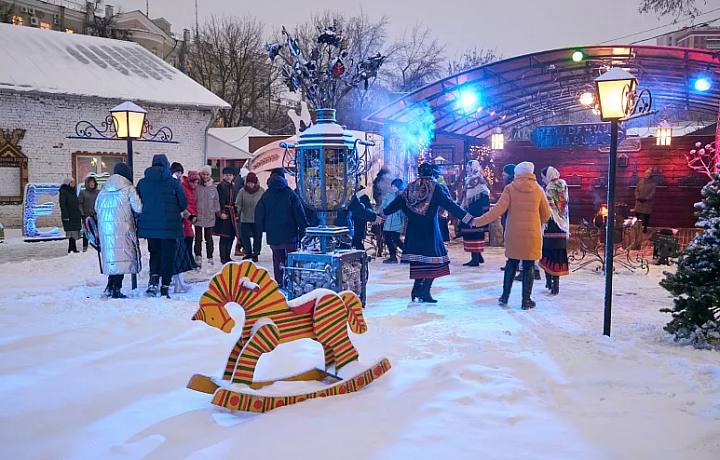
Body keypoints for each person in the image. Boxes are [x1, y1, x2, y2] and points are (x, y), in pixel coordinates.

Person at [382, 162, 473, 303]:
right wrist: (467, 218)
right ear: (432, 173)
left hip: (413, 231)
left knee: (419, 261)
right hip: (430, 229)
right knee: (434, 262)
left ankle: (416, 289)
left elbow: (398, 202)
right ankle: (425, 291)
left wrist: (384, 213)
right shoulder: (436, 187)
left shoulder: (410, 187)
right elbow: (450, 205)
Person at [473, 161, 551, 310]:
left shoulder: (510, 189)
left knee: (511, 262)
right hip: (532, 234)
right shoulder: (539, 190)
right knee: (528, 265)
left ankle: (504, 297)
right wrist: (536, 223)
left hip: (513, 233)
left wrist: (478, 221)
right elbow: (546, 214)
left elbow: (497, 211)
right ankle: (526, 301)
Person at [136, 154, 188, 298]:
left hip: (150, 227)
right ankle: (165, 285)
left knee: (155, 254)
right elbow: (183, 203)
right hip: (170, 225)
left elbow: (138, 203)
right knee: (168, 256)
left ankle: (153, 282)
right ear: (166, 165)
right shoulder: (174, 183)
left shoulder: (142, 183)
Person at [95, 163, 143, 299]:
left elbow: (96, 207)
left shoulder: (104, 189)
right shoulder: (129, 189)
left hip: (106, 230)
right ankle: (116, 289)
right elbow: (138, 208)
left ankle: (110, 286)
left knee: (113, 258)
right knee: (122, 258)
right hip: (123, 229)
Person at [255, 168, 308, 283]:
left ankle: (279, 281)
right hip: (290, 235)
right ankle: (292, 283)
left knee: (278, 260)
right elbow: (299, 214)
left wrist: (265, 229)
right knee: (291, 260)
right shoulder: (290, 194)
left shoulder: (265, 196)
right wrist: (304, 230)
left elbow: (258, 215)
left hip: (273, 236)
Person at [539, 166, 570, 295]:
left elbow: (546, 208)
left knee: (547, 253)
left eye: (543, 177)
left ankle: (549, 281)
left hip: (551, 225)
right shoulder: (563, 186)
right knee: (558, 255)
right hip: (562, 225)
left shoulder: (549, 189)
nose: (542, 179)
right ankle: (555, 284)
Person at [460, 160, 491, 266]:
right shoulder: (471, 179)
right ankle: (477, 255)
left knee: (474, 234)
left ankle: (475, 258)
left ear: (473, 167)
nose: (466, 169)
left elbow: (484, 194)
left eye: (468, 167)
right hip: (471, 211)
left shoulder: (477, 179)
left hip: (475, 212)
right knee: (472, 234)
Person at [235, 172, 264, 262]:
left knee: (257, 237)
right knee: (244, 237)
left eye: (252, 183)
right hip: (245, 218)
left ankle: (256, 253)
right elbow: (238, 203)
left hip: (257, 219)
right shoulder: (242, 191)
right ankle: (248, 252)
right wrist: (237, 212)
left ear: (255, 183)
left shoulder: (261, 191)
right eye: (248, 183)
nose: (250, 185)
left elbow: (264, 204)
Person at [194, 165, 220, 266]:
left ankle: (210, 257)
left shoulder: (213, 187)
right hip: (199, 215)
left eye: (207, 174)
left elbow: (216, 200)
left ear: (210, 175)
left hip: (209, 216)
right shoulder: (197, 186)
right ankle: (198, 256)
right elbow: (193, 200)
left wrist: (216, 211)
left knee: (209, 238)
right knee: (198, 238)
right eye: (204, 174)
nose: (205, 176)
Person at [214, 166, 238, 265]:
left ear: (233, 176)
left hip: (231, 213)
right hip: (225, 213)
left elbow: (235, 201)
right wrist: (221, 212)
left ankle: (228, 255)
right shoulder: (221, 186)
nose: (228, 177)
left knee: (231, 236)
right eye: (227, 175)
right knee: (224, 236)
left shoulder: (233, 186)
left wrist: (236, 213)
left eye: (230, 175)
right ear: (223, 176)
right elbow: (219, 200)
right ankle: (223, 257)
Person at [381, 178, 406, 264]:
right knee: (387, 238)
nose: (393, 187)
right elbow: (383, 205)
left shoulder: (401, 196)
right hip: (388, 219)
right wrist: (379, 213)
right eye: (392, 186)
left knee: (396, 239)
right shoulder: (388, 195)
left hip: (397, 220)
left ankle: (407, 254)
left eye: (395, 186)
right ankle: (392, 256)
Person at [59, 177, 82, 254]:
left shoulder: (73, 191)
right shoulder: (64, 192)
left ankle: (73, 247)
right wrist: (65, 215)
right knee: (71, 232)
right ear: (68, 183)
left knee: (74, 232)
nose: (73, 184)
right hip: (69, 215)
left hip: (75, 214)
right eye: (72, 182)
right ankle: (71, 248)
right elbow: (63, 204)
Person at [350, 185, 377, 250]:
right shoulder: (353, 197)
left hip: (359, 221)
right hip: (357, 221)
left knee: (357, 239)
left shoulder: (362, 197)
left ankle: (361, 255)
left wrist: (372, 216)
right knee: (356, 239)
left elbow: (364, 209)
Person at [78, 175, 99, 252]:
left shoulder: (98, 192)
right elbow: (80, 203)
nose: (92, 184)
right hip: (86, 215)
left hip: (96, 215)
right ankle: (85, 246)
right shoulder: (83, 192)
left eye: (93, 182)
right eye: (90, 183)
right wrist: (82, 213)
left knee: (97, 230)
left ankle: (97, 244)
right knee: (87, 231)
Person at [635, 168, 658, 233]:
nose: (647, 175)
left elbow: (653, 193)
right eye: (646, 173)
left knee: (646, 216)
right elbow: (636, 190)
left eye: (648, 173)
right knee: (637, 214)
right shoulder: (640, 181)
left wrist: (646, 199)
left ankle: (645, 228)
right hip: (639, 201)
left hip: (647, 202)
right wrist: (638, 197)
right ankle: (637, 227)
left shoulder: (653, 183)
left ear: (651, 175)